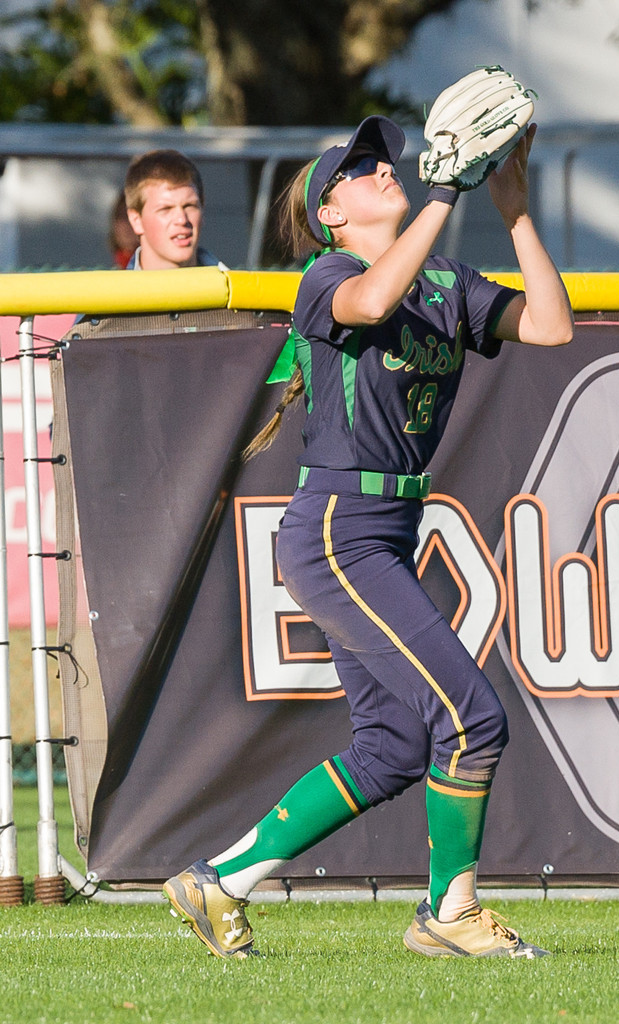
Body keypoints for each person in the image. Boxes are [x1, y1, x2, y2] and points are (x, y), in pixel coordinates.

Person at [163, 115, 573, 960]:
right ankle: (450, 914)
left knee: (392, 749)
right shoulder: (325, 276)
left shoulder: (446, 283)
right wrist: (444, 196)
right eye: (356, 169)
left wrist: (515, 206)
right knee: (473, 718)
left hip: (383, 533)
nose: (380, 167)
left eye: (380, 159)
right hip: (338, 534)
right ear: (331, 216)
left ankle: (219, 882)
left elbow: (550, 327)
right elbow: (373, 299)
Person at [123, 148, 223, 270]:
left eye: (189, 206)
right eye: (166, 209)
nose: (181, 219)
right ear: (136, 220)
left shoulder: (244, 288)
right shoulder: (111, 289)